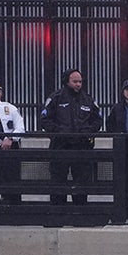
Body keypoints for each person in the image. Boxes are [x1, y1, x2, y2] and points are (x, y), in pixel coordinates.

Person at [39, 69, 101, 204]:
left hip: (82, 147)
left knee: (82, 181)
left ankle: (80, 213)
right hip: (60, 146)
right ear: (66, 82)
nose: (78, 84)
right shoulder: (55, 98)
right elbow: (45, 120)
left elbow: (97, 120)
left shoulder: (88, 99)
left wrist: (88, 131)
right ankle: (58, 213)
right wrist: (59, 132)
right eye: (75, 81)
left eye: (80, 81)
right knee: (58, 180)